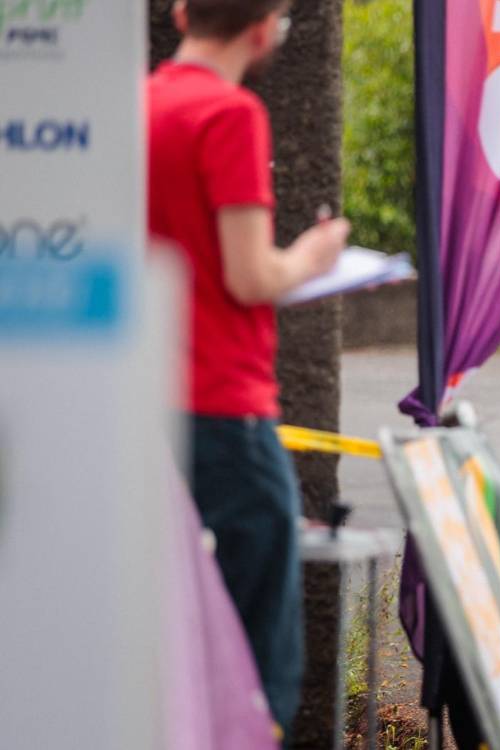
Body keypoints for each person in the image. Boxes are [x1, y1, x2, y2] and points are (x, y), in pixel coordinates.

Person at [147, 0, 349, 740]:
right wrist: (316, 256)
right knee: (257, 640)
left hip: (143, 401)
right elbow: (251, 275)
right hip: (224, 402)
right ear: (264, 28)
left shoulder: (134, 109)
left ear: (178, 15)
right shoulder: (229, 115)